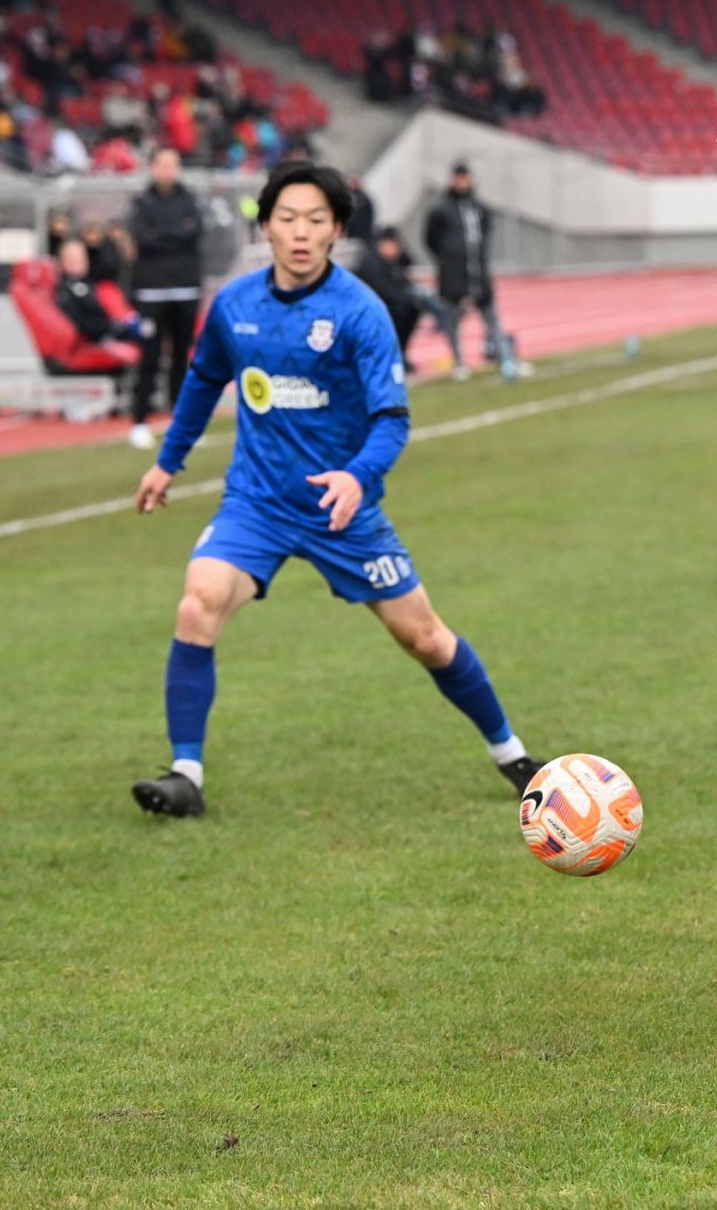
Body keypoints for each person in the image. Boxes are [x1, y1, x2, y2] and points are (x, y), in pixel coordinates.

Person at [130, 160, 543, 818]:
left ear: (336, 231)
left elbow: (392, 420)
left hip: (342, 511)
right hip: (258, 503)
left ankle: (513, 755)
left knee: (426, 638)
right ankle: (186, 775)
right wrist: (167, 462)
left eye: (316, 220)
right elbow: (204, 381)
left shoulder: (359, 312)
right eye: (288, 218)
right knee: (196, 605)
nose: (301, 232)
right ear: (265, 227)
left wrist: (356, 476)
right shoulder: (235, 306)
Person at [127, 146, 205, 450]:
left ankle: (180, 422)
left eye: (173, 164)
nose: (167, 170)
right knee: (149, 356)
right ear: (152, 167)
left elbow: (194, 232)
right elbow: (143, 237)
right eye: (162, 164)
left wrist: (162, 234)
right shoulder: (141, 202)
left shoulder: (190, 199)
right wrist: (174, 234)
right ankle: (139, 420)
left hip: (185, 288)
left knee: (181, 357)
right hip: (151, 290)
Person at [423, 161, 516, 380]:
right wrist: (448, 257)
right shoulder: (441, 209)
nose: (463, 182)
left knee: (491, 317)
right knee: (453, 319)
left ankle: (504, 358)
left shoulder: (478, 206)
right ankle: (459, 362)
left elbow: (485, 232)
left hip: (478, 272)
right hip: (454, 275)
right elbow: (430, 238)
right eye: (459, 178)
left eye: (465, 177)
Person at [356, 225, 459, 373]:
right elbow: (386, 291)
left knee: (413, 310)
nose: (396, 247)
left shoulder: (392, 261)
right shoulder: (371, 264)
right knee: (401, 314)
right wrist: (409, 299)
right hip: (369, 311)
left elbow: (409, 262)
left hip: (388, 306)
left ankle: (399, 356)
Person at [56, 238, 153, 347]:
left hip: (108, 330)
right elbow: (80, 323)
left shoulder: (87, 283)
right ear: (62, 261)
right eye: (72, 258)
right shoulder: (66, 291)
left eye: (81, 257)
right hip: (93, 340)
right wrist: (116, 327)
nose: (78, 262)